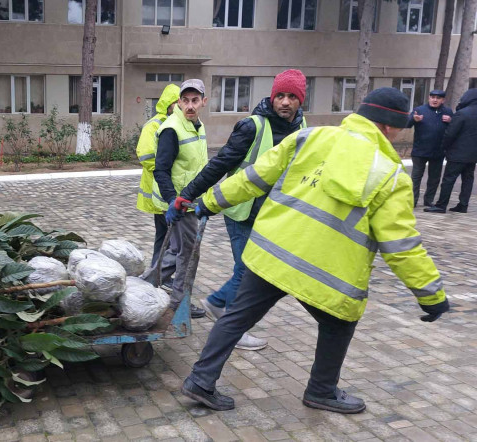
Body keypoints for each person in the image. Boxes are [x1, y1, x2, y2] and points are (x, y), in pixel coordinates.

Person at [175, 88, 449, 414]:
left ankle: (201, 380)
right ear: (389, 127)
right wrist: (431, 294)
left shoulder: (308, 138)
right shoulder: (390, 176)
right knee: (338, 325)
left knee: (236, 317)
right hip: (324, 273)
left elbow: (251, 179)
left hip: (272, 254)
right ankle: (321, 390)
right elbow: (401, 246)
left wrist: (207, 203)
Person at [175, 69, 308, 351]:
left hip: (274, 213)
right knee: (248, 271)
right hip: (242, 211)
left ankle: (218, 304)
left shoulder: (302, 128)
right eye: (280, 95)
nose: (285, 102)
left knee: (257, 269)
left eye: (292, 97)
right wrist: (187, 195)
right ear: (272, 97)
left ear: (301, 100)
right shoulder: (252, 126)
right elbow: (220, 164)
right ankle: (232, 325)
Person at [151, 79, 209, 319]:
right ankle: (178, 304)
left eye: (195, 100)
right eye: (185, 101)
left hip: (191, 203)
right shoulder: (172, 129)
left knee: (176, 253)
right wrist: (172, 200)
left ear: (203, 102)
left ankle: (144, 286)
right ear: (179, 102)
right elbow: (160, 170)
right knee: (187, 254)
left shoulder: (197, 125)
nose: (190, 106)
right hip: (179, 204)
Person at [136, 84, 181, 287]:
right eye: (177, 102)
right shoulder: (155, 125)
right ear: (169, 104)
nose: (180, 106)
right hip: (158, 190)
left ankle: (158, 272)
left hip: (167, 190)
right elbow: (145, 155)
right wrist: (164, 167)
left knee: (164, 236)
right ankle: (162, 275)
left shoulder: (176, 122)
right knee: (170, 238)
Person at [424, 88, 477, 214]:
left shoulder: (462, 113)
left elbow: (450, 133)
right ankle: (463, 205)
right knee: (468, 180)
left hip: (457, 154)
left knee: (448, 179)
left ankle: (441, 205)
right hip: (473, 155)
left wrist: (444, 147)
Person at [406, 89, 452, 207]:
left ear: (443, 100)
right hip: (420, 150)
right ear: (429, 98)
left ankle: (429, 200)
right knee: (416, 177)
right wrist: (413, 119)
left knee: (434, 178)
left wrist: (451, 121)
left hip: (438, 151)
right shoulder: (419, 110)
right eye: (432, 97)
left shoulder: (447, 112)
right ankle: (412, 201)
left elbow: (455, 127)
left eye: (438, 98)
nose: (435, 100)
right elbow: (407, 124)